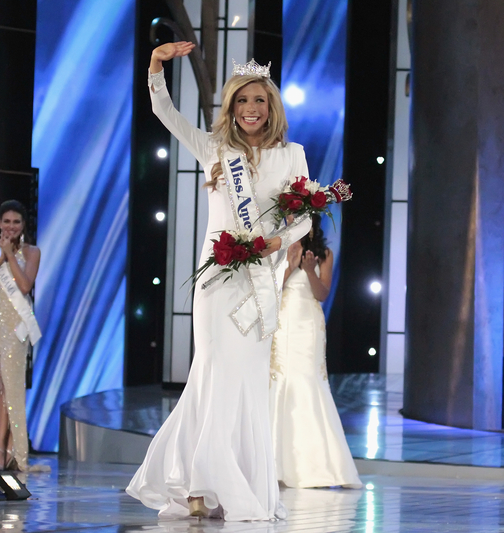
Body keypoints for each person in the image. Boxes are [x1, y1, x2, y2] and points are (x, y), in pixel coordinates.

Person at [126, 42, 312, 521]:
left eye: (259, 101)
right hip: (217, 278)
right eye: (242, 101)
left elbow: (305, 218)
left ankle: (224, 481)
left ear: (271, 107)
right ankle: (197, 481)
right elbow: (164, 112)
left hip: (260, 279)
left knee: (247, 380)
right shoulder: (215, 149)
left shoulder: (293, 154)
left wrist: (279, 241)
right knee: (211, 372)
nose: (251, 109)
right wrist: (155, 66)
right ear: (231, 107)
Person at [269, 215, 361, 489]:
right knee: (280, 380)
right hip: (283, 320)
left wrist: (309, 270)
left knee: (308, 382)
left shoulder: (324, 254)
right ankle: (274, 464)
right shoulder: (280, 248)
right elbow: (271, 289)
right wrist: (290, 265)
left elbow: (322, 293)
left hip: (308, 323)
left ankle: (316, 465)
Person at [0, 200, 42, 472]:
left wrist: (9, 254)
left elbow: (25, 285)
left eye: (16, 222)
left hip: (16, 325)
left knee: (10, 384)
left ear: (23, 225)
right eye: (6, 221)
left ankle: (6, 447)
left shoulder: (32, 252)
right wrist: (1, 254)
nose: (11, 226)